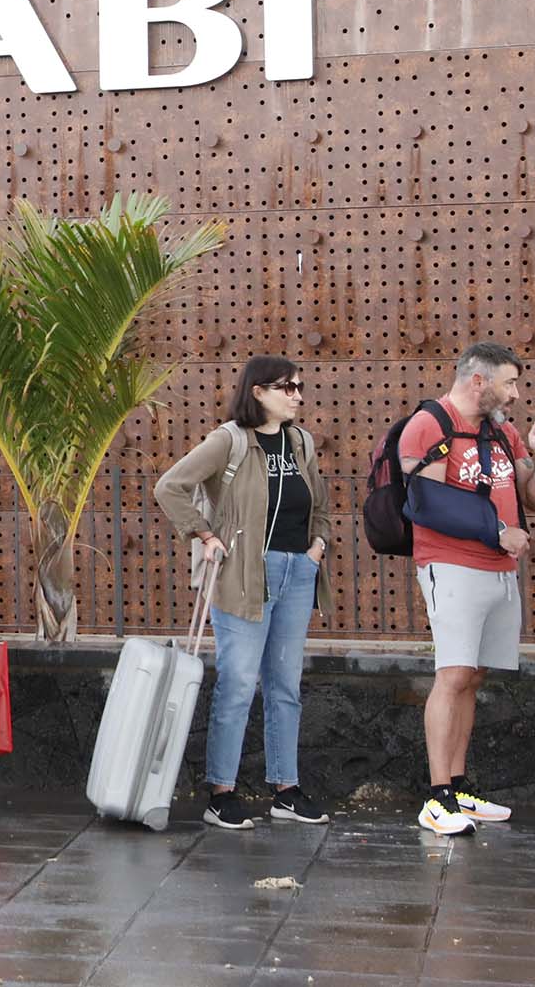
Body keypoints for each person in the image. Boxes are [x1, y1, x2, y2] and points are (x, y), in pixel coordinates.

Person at [154, 356, 333, 830]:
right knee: (236, 685)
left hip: (298, 571)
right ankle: (220, 794)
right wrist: (205, 535)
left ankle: (285, 790)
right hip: (243, 576)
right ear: (258, 391)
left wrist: (316, 546)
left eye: (299, 386)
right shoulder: (229, 440)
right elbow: (169, 487)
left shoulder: (301, 442)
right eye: (287, 387)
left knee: (285, 686)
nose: (297, 394)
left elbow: (322, 504)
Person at [401, 341, 535, 836]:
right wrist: (496, 532)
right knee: (452, 674)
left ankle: (459, 785)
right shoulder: (429, 424)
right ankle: (437, 796)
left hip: (500, 569)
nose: (515, 394)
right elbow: (426, 504)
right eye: (509, 382)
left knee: (473, 676)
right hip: (451, 565)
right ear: (478, 381)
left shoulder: (503, 432)